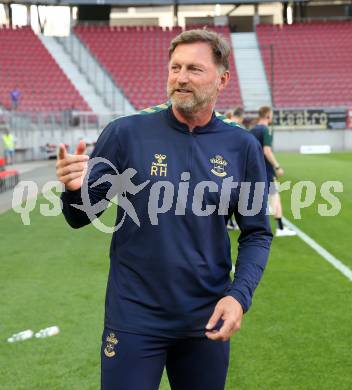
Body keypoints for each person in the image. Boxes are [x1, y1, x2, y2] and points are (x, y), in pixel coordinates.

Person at [57, 29, 272, 390]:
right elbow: (80, 216)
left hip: (205, 318)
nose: (181, 78)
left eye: (194, 69)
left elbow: (257, 233)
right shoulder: (126, 133)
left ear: (222, 80)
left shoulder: (242, 146)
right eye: (175, 67)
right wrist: (73, 190)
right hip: (134, 316)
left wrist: (239, 296)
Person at [250, 106, 296, 237]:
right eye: (271, 115)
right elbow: (267, 151)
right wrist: (277, 166)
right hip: (266, 169)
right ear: (267, 115)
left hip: (254, 169)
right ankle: (280, 228)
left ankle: (255, 228)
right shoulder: (266, 130)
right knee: (275, 197)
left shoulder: (252, 130)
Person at [225, 107, 244, 230]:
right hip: (233, 165)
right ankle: (230, 221)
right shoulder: (237, 128)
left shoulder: (223, 126)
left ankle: (229, 221)